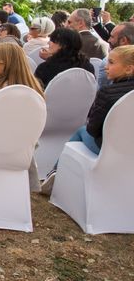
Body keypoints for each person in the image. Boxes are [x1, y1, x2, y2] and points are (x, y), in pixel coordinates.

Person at [41, 45, 134, 194]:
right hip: (130, 152)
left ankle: (55, 173)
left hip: (108, 149)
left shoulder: (108, 93)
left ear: (129, 69)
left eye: (111, 62)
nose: (105, 67)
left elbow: (92, 129)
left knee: (81, 130)